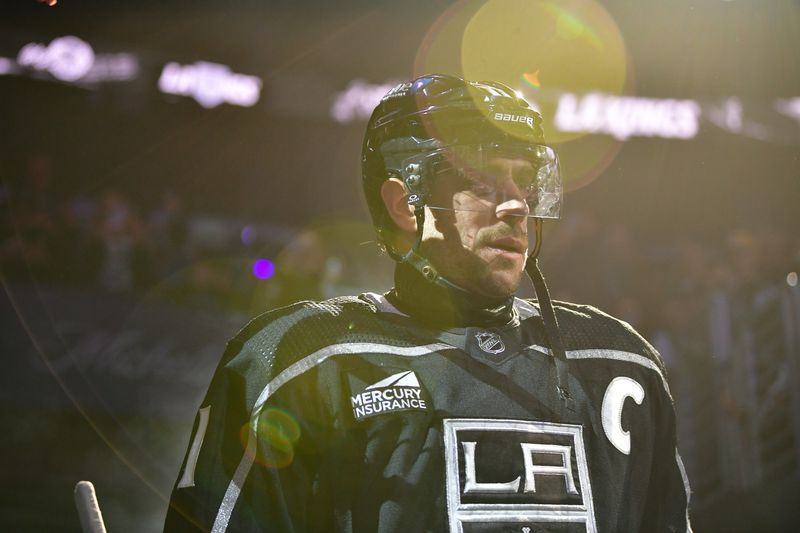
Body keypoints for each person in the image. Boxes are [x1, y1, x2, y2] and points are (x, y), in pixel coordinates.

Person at [164, 74, 692, 532]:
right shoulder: (300, 362)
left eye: (525, 182)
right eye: (482, 180)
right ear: (404, 204)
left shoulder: (621, 366)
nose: (515, 204)